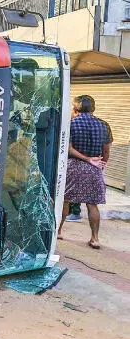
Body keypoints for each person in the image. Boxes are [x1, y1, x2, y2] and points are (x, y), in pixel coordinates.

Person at [57, 95, 112, 249]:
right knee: (92, 204)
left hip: (72, 166)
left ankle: (59, 231)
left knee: (65, 200)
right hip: (94, 168)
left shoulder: (71, 124)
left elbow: (68, 148)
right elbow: (106, 151)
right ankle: (95, 239)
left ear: (75, 108)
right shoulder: (103, 125)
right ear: (92, 108)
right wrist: (101, 164)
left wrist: (86, 158)